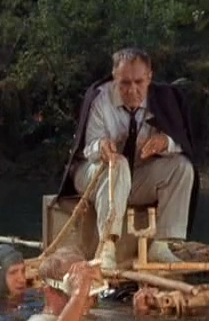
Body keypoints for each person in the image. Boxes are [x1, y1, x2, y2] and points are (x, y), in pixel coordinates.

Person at [53, 47, 200, 270]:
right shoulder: (100, 99)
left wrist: (165, 142)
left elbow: (183, 142)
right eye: (124, 83)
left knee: (182, 167)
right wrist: (102, 147)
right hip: (95, 173)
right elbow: (87, 148)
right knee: (118, 163)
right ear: (115, 78)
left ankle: (162, 245)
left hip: (137, 175)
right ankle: (107, 246)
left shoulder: (164, 100)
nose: (132, 90)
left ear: (149, 77)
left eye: (139, 82)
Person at [22, 246, 103, 321]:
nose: (88, 294)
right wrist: (78, 294)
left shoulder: (97, 316)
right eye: (74, 285)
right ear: (49, 291)